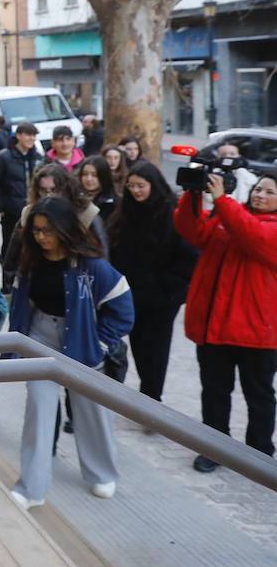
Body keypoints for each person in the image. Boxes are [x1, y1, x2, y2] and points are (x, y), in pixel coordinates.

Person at [7, 196, 134, 509]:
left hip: (81, 341)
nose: (41, 236)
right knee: (39, 409)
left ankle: (101, 473)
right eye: (36, 230)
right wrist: (18, 340)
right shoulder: (31, 261)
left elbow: (122, 309)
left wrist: (99, 344)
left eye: (48, 230)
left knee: (92, 411)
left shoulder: (93, 265)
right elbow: (21, 301)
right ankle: (31, 487)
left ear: (65, 229)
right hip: (40, 338)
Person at [175, 172, 277, 473]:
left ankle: (258, 454)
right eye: (258, 189)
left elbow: (253, 236)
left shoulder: (252, 224)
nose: (260, 195)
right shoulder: (230, 217)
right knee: (214, 390)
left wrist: (222, 200)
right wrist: (193, 195)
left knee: (258, 396)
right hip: (215, 328)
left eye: (269, 192)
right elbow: (193, 231)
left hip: (257, 333)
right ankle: (214, 447)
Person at [107, 161, 196, 403]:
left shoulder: (172, 213)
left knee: (156, 348)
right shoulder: (124, 212)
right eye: (132, 186)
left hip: (162, 298)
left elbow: (188, 257)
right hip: (132, 295)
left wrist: (165, 288)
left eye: (141, 186)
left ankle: (151, 397)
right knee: (139, 345)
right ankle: (148, 394)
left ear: (153, 185)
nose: (136, 191)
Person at [0, 122, 44, 259]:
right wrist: (0, 206)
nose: (31, 138)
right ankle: (8, 276)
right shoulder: (3, 157)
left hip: (33, 210)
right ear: (18, 136)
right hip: (12, 211)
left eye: (34, 135)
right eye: (28, 135)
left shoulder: (37, 158)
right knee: (11, 246)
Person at [76, 155, 117, 221]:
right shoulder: (75, 198)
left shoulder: (111, 204)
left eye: (94, 175)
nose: (89, 179)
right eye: (85, 174)